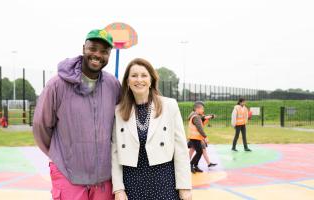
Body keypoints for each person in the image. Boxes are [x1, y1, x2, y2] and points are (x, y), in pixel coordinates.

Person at [33, 29, 121, 200]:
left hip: (103, 176)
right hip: (68, 173)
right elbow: (40, 126)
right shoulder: (57, 84)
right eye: (93, 48)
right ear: (83, 48)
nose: (97, 55)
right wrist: (60, 155)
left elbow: (120, 124)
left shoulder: (113, 85)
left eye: (104, 51)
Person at [111, 58, 192, 200]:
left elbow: (181, 149)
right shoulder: (118, 111)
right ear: (128, 82)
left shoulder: (169, 106)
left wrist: (184, 186)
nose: (139, 79)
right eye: (134, 75)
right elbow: (115, 152)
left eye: (144, 75)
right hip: (132, 183)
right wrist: (118, 189)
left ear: (151, 80)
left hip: (164, 181)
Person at [187, 102, 212, 173]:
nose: (203, 110)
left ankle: (195, 165)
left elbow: (201, 121)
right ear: (197, 109)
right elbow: (199, 128)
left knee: (199, 151)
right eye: (202, 109)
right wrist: (205, 137)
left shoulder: (196, 116)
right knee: (199, 151)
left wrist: (205, 118)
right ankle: (191, 164)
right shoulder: (196, 117)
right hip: (194, 137)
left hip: (195, 137)